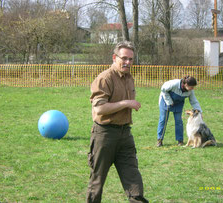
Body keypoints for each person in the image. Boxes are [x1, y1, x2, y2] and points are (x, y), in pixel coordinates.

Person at [86, 41, 148, 203]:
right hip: (104, 135)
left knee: (133, 178)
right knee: (97, 181)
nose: (128, 62)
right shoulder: (105, 78)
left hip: (125, 135)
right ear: (115, 57)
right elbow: (99, 108)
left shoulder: (129, 78)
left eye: (131, 59)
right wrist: (126, 103)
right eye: (124, 58)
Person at [156, 76, 202, 147]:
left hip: (178, 103)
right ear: (186, 85)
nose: (192, 89)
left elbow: (194, 101)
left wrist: (199, 111)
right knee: (163, 120)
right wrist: (169, 101)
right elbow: (163, 89)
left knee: (179, 121)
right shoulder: (174, 84)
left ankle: (180, 141)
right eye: (191, 87)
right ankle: (159, 140)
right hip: (165, 100)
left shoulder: (190, 91)